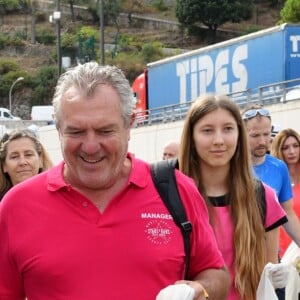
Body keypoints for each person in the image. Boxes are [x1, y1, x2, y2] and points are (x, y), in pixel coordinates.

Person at [0, 62, 230, 300]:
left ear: (129, 125)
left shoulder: (176, 190)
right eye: (76, 132)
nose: (90, 146)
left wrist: (197, 291)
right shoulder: (16, 206)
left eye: (105, 131)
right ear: (58, 127)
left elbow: (217, 275)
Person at [178, 94, 287, 300]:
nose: (219, 140)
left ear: (239, 134)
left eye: (228, 129)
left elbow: (268, 273)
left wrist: (279, 277)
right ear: (191, 137)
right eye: (207, 130)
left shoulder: (263, 196)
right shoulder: (173, 198)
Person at [242, 105, 300, 300]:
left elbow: (288, 214)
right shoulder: (233, 169)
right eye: (255, 135)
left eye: (266, 134)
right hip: (240, 260)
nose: (262, 141)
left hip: (271, 262)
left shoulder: (278, 167)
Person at [0, 129, 53, 200]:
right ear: (4, 165)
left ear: (40, 160)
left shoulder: (58, 198)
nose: (22, 162)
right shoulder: (2, 205)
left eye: (28, 155)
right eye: (14, 157)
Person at [271, 128, 300, 256]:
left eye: (295, 146)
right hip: (282, 250)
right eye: (285, 147)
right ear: (278, 150)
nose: (292, 151)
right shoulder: (274, 183)